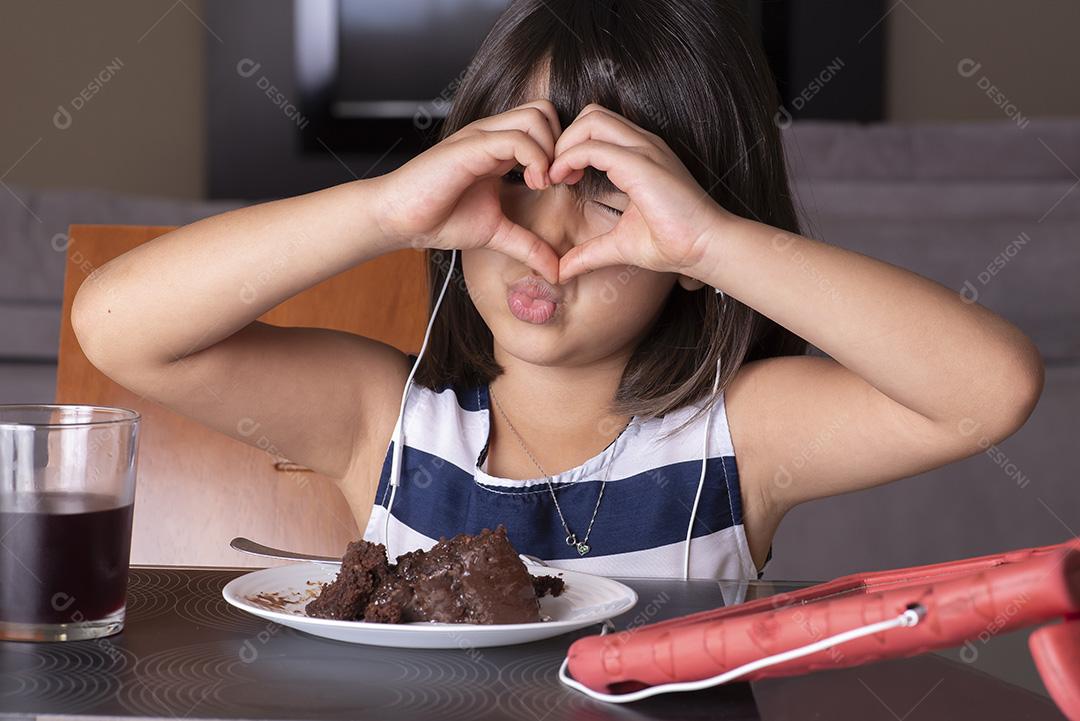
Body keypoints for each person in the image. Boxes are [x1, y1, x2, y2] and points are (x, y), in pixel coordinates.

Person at [71, 0, 1043, 581]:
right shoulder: (388, 428)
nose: (548, 234)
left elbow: (988, 387)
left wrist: (712, 241)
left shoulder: (735, 443)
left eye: (611, 193)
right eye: (519, 179)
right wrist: (384, 209)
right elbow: (119, 329)